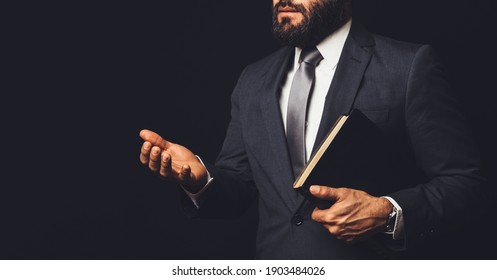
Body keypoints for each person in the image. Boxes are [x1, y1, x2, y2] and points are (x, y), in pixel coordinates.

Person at [139, 0, 487, 259]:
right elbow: (241, 185)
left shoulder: (408, 66)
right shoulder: (253, 80)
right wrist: (198, 179)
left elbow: (467, 184)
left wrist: (388, 213)